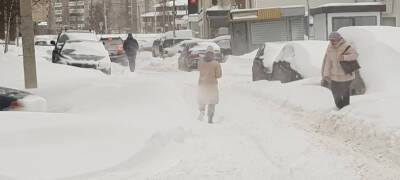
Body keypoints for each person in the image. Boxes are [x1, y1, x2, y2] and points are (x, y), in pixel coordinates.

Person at [322, 32, 358, 109]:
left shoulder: (346, 46)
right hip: (334, 75)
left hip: (346, 75)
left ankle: (345, 109)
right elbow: (328, 61)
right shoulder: (330, 48)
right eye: (330, 40)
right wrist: (326, 74)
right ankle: (341, 108)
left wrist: (344, 57)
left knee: (345, 93)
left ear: (339, 39)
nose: (332, 42)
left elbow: (355, 55)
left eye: (334, 40)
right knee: (335, 92)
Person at [198, 46, 222, 123]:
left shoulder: (201, 62)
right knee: (211, 102)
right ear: (213, 54)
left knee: (202, 99)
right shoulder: (216, 63)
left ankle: (201, 112)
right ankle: (210, 117)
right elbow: (219, 75)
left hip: (202, 84)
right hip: (212, 86)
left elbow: (199, 69)